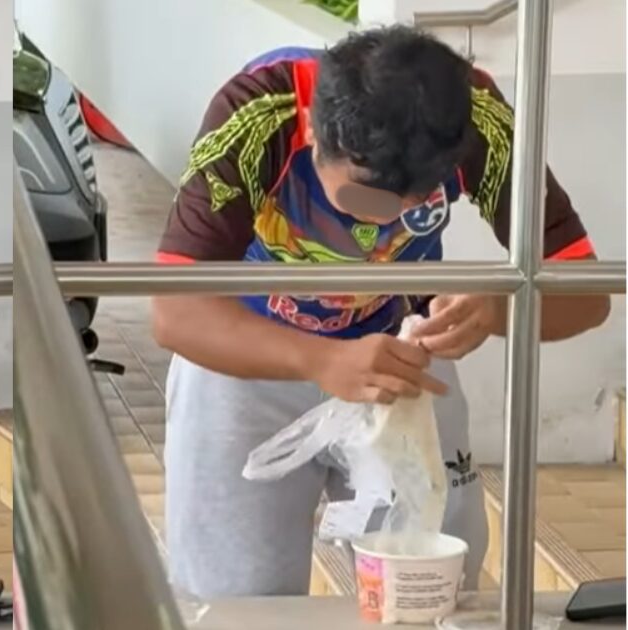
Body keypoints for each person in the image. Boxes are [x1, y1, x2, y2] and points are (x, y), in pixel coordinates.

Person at [152, 26, 610, 599]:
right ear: (314, 132)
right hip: (245, 356)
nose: (387, 222)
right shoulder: (259, 113)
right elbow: (174, 311)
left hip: (403, 358)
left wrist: (498, 309)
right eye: (365, 199)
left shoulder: (469, 116)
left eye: (422, 202)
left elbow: (586, 295)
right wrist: (322, 360)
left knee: (433, 585)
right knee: (235, 599)